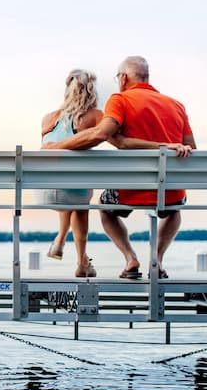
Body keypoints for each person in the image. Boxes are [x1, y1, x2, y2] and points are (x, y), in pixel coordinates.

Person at [43, 56, 195, 279]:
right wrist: (167, 147)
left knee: (105, 207)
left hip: (130, 190)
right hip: (171, 193)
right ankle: (157, 259)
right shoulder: (176, 105)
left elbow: (100, 134)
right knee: (175, 210)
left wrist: (56, 147)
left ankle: (130, 257)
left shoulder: (120, 100)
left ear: (123, 78)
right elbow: (191, 148)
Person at [40, 69, 103, 278]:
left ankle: (60, 240)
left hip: (44, 193)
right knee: (79, 199)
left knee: (66, 181)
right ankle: (81, 261)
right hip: (75, 194)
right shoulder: (95, 116)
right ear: (92, 91)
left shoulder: (48, 119)